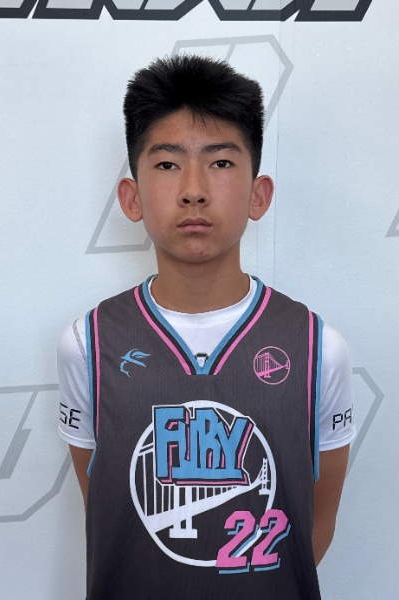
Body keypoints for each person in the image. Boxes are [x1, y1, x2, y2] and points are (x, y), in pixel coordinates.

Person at [57, 54, 356, 600]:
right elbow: (111, 514)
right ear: (131, 198)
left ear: (259, 195)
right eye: (167, 164)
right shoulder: (87, 343)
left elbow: (313, 524)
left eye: (220, 162)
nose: (193, 189)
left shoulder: (318, 348)